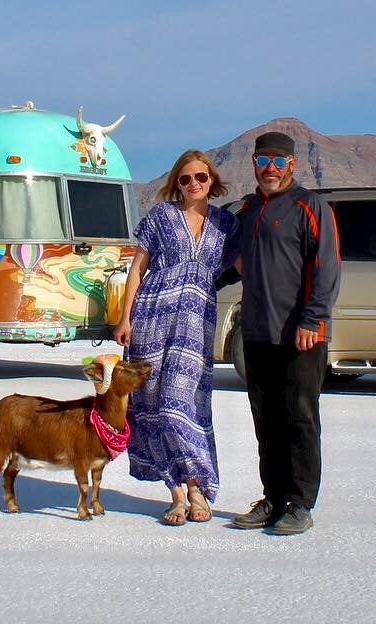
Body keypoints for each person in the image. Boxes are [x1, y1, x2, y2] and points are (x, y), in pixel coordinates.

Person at [114, 149, 239, 526]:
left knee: (182, 406)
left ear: (212, 180)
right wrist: (124, 318)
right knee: (154, 406)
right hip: (152, 318)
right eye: (185, 179)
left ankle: (198, 486)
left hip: (196, 324)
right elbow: (137, 270)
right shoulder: (161, 217)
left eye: (200, 177)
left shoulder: (226, 224)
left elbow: (248, 265)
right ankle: (177, 494)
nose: (193, 184)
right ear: (176, 183)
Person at [228, 131, 340, 535]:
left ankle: (299, 503)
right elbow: (227, 264)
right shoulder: (248, 209)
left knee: (300, 418)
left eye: (278, 161)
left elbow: (326, 267)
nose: (270, 168)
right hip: (258, 333)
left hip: (299, 335)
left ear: (292, 164)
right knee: (267, 419)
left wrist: (314, 320)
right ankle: (273, 497)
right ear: (254, 163)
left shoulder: (309, 206)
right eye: (263, 161)